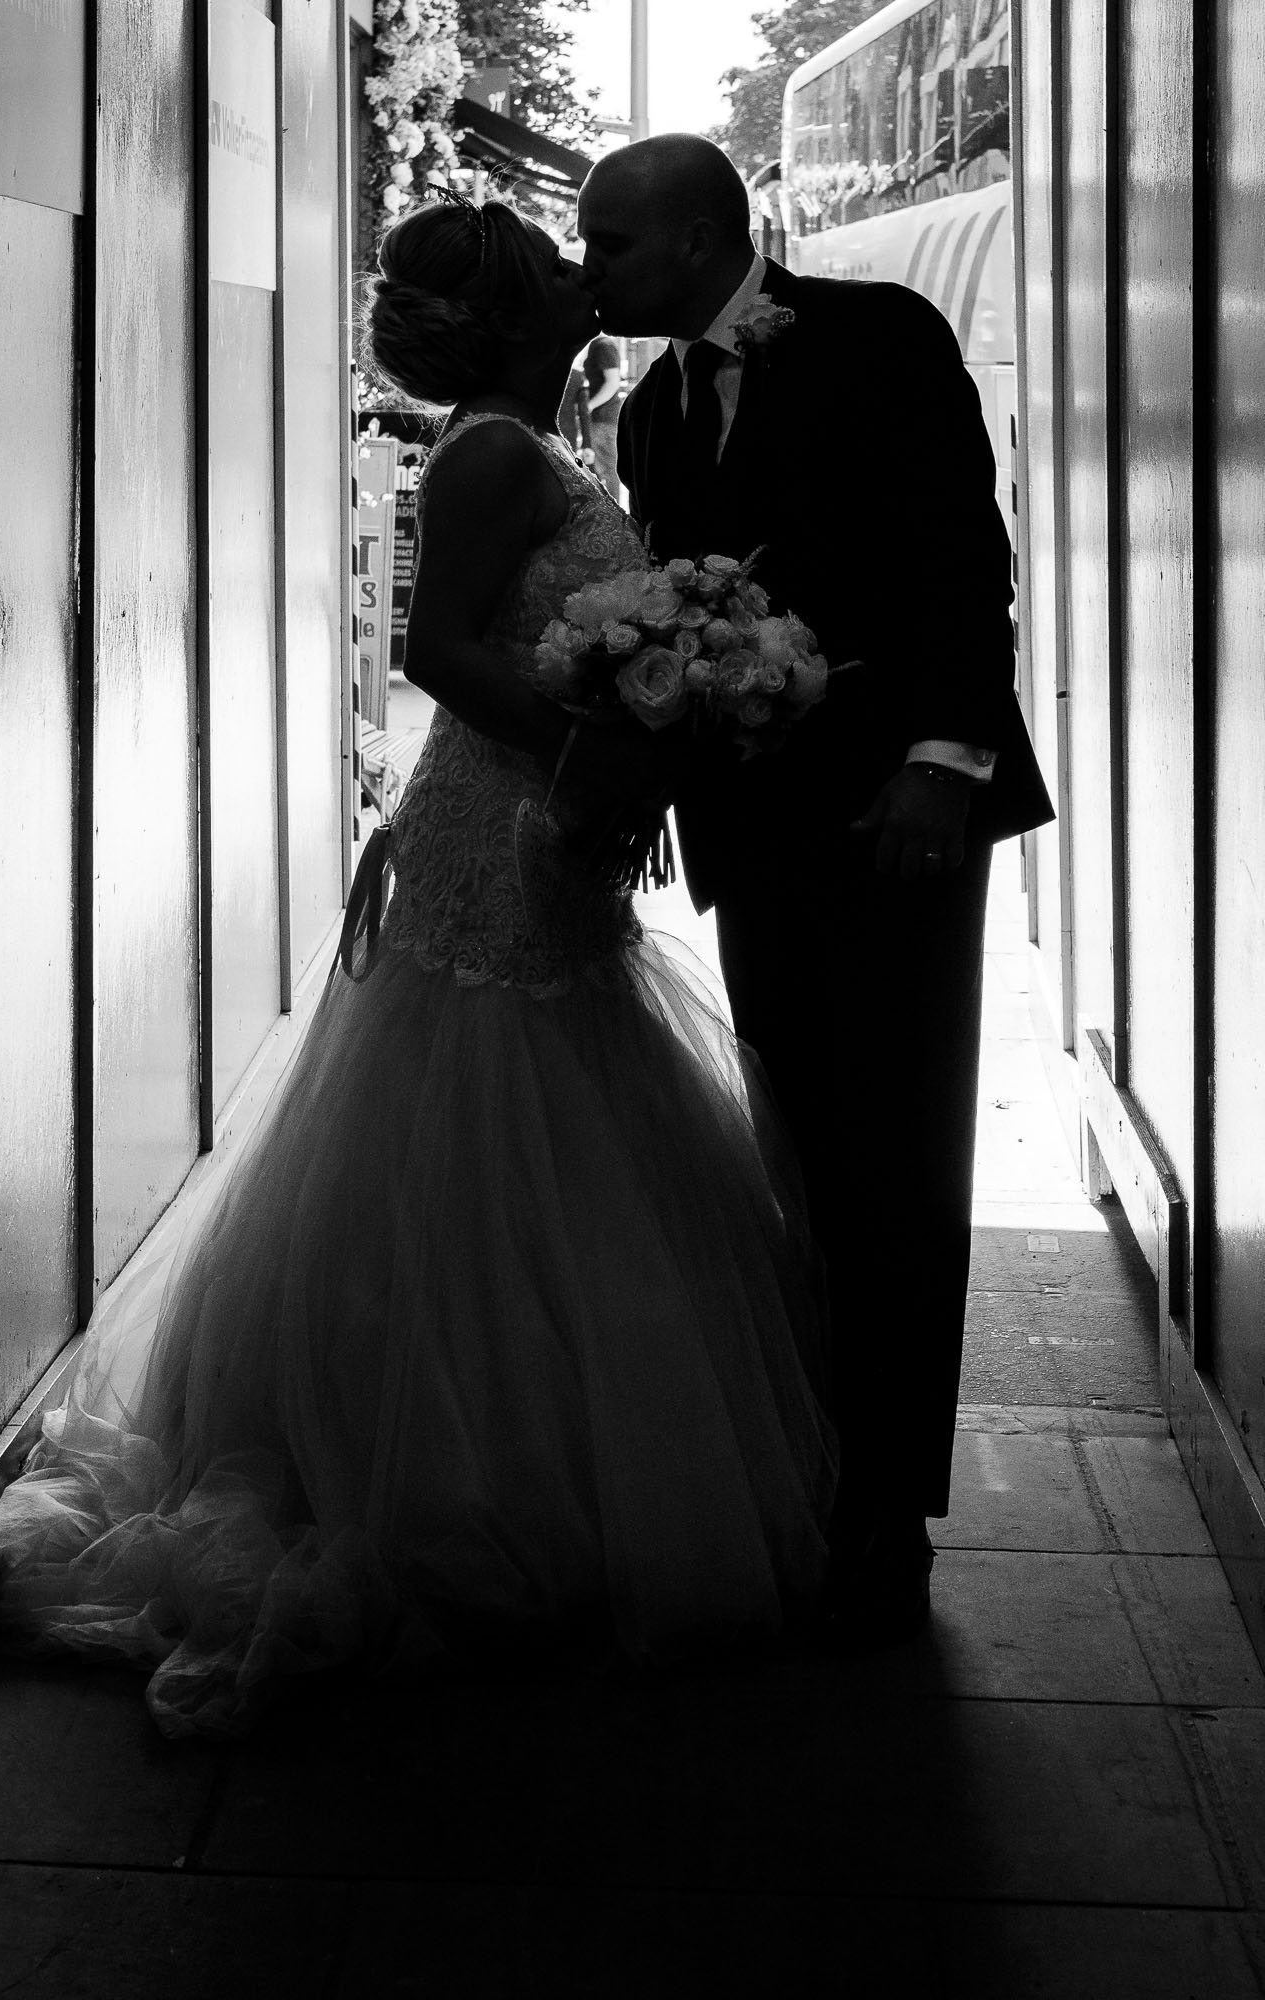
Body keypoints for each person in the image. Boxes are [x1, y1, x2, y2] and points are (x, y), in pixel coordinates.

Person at [0, 197, 838, 1739]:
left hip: (541, 828)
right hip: (491, 827)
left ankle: (529, 1464)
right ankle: (447, 1483)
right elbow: (436, 650)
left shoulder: (543, 436)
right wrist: (603, 734)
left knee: (552, 1130)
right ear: (515, 311)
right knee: (480, 1133)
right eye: (560, 261)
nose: (588, 273)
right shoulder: (493, 450)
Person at [577, 135, 1055, 1644]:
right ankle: (820, 1447)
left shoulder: (875, 337)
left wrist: (940, 759)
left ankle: (887, 1499)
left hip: (900, 817)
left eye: (610, 245)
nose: (590, 274)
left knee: (903, 1153)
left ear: (700, 237)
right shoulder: (648, 417)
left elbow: (953, 563)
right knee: (799, 1146)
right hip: (757, 841)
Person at [583, 330, 623, 499]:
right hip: (603, 418)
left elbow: (613, 382)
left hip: (604, 418)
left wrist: (589, 406)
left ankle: (614, 516)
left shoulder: (604, 346)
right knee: (604, 469)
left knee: (607, 470)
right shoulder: (599, 345)